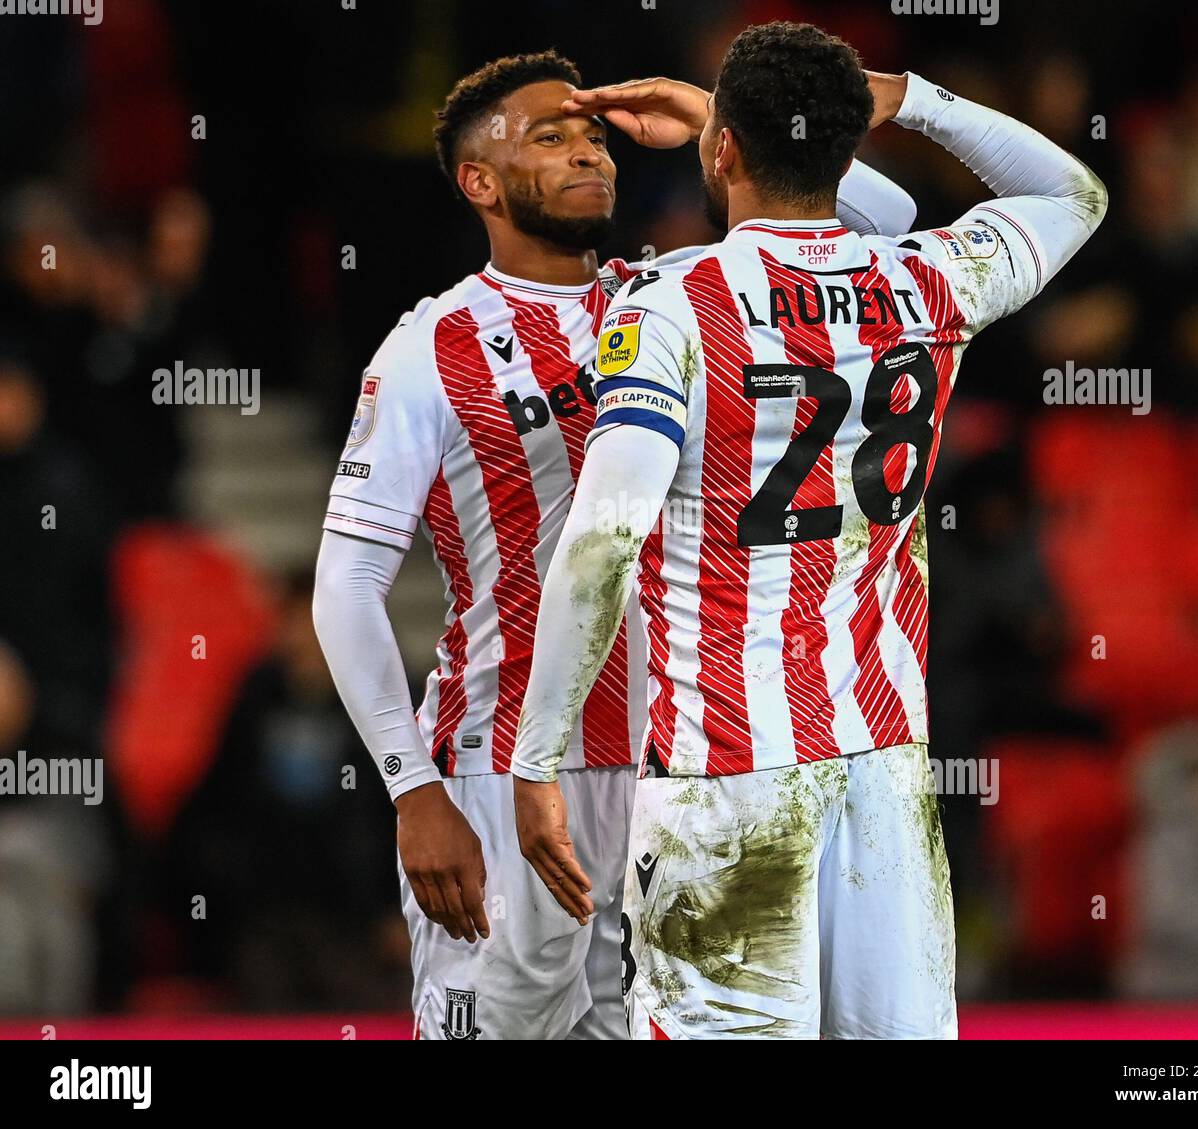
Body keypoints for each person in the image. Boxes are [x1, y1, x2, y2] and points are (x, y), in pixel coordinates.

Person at [511, 21, 1108, 1039]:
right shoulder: (922, 281)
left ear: (723, 152)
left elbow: (606, 535)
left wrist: (536, 762)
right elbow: (1070, 196)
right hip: (882, 760)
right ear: (842, 143)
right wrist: (912, 96)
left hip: (726, 770)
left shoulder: (673, 302)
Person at [312, 49, 918, 1039]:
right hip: (502, 768)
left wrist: (723, 117)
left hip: (677, 766)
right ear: (480, 181)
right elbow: (345, 584)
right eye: (548, 136)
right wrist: (413, 789)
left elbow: (881, 229)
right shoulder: (430, 348)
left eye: (592, 131)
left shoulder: (682, 294)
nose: (586, 150)